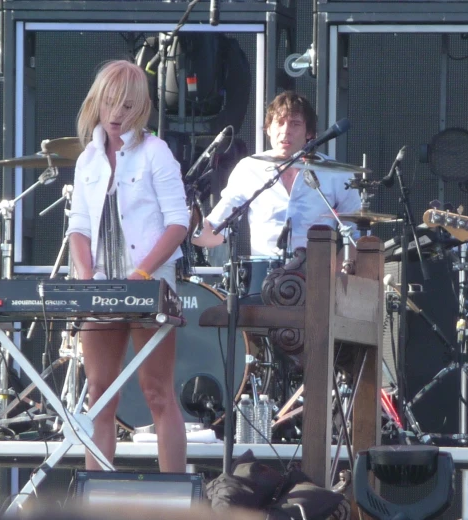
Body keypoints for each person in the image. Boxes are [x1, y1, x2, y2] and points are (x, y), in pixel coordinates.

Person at [66, 60, 189, 472]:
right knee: (100, 393)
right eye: (110, 104)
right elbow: (78, 229)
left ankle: (174, 499)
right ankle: (93, 496)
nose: (116, 114)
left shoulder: (156, 152)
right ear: (97, 104)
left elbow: (178, 223)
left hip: (149, 283)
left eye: (127, 106)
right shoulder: (88, 160)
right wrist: (86, 280)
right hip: (100, 286)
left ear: (140, 109)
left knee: (157, 391)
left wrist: (142, 273)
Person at [190, 91, 362, 258]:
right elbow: (215, 232)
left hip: (319, 277)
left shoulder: (336, 175)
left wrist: (338, 273)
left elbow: (358, 236)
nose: (285, 131)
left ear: (309, 133)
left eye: (295, 124)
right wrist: (184, 224)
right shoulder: (250, 169)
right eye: (279, 122)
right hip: (264, 279)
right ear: (268, 129)